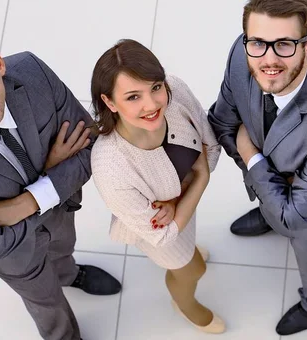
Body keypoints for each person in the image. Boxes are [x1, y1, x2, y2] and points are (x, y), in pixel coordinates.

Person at [0, 25, 122, 340]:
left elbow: (92, 150)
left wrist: (28, 201)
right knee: (47, 302)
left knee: (62, 248)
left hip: (60, 211)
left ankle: (70, 274)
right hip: (15, 252)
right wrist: (51, 173)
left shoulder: (34, 74)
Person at [208, 0, 307, 335]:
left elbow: (298, 216)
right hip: (280, 193)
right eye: (257, 43)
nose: (268, 60)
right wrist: (273, 188)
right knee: (276, 210)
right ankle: (270, 216)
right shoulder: (242, 55)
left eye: (284, 44)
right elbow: (222, 123)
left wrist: (252, 155)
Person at [90, 39, 224, 334]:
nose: (152, 105)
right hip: (157, 231)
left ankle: (189, 254)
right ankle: (185, 304)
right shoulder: (110, 166)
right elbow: (161, 237)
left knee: (192, 252)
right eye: (133, 97)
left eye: (155, 87)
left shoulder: (174, 91)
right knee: (192, 269)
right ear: (110, 102)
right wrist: (199, 179)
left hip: (178, 211)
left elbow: (211, 148)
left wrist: (178, 201)